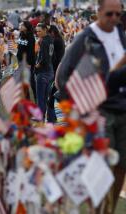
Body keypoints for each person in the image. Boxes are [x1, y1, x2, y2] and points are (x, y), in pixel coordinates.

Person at [56, 0, 126, 212]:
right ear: (98, 12)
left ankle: (108, 210)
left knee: (121, 167)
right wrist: (80, 108)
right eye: (109, 14)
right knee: (101, 170)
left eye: (118, 14)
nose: (114, 18)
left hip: (122, 109)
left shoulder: (120, 35)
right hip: (99, 112)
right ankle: (98, 211)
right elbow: (63, 76)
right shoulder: (86, 38)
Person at [35, 23, 54, 117]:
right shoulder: (50, 39)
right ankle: (49, 118)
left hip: (43, 72)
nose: (38, 33)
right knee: (47, 97)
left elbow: (45, 58)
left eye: (39, 31)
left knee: (41, 98)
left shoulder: (44, 41)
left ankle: (40, 118)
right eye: (37, 31)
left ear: (45, 30)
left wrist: (37, 65)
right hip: (50, 70)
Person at [16, 21, 36, 99]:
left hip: (27, 62)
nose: (20, 26)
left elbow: (31, 52)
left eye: (22, 25)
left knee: (31, 81)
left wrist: (29, 64)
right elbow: (19, 47)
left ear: (26, 27)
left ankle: (36, 96)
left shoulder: (31, 37)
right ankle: (27, 99)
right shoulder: (21, 35)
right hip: (20, 61)